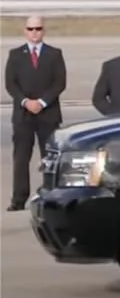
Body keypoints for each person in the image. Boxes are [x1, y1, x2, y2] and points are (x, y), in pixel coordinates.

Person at [5, 16, 66, 211]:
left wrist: (42, 102)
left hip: (48, 114)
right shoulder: (15, 55)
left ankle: (53, 196)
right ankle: (18, 198)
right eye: (30, 29)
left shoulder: (54, 54)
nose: (34, 32)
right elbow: (10, 84)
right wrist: (25, 102)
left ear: (43, 31)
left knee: (50, 157)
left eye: (38, 29)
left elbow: (59, 83)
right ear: (25, 31)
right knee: (21, 157)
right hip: (23, 115)